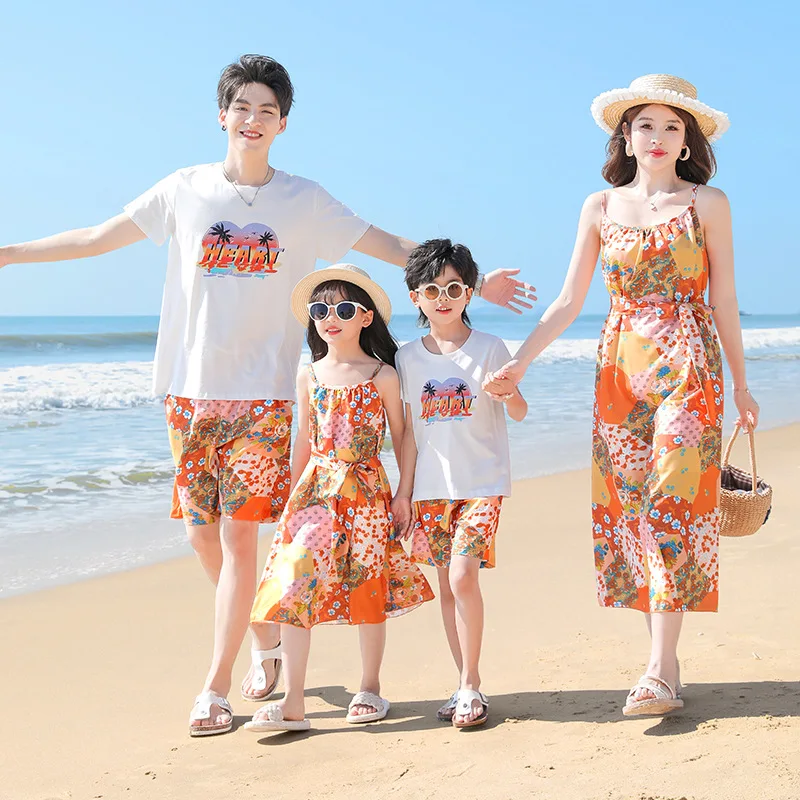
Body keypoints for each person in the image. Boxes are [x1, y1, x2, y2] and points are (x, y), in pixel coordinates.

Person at [0, 55, 535, 736]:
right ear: (221, 115)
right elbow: (98, 236)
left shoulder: (303, 199)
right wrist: (11, 252)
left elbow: (383, 242)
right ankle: (265, 640)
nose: (253, 120)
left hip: (270, 397)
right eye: (242, 108)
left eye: (267, 111)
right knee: (204, 541)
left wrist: (468, 278)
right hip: (191, 396)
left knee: (245, 541)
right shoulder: (183, 190)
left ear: (283, 123)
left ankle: (215, 691)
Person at [484, 74, 759, 716]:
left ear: (687, 142)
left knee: (672, 500)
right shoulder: (598, 208)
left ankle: (658, 670)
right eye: (646, 126)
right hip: (617, 369)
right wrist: (520, 362)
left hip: (689, 363)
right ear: (627, 138)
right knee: (631, 507)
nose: (658, 137)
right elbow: (567, 301)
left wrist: (743, 386)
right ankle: (665, 662)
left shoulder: (708, 203)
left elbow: (724, 300)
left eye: (672, 127)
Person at [245, 265, 433, 732]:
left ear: (365, 318)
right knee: (292, 586)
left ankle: (370, 687)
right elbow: (302, 441)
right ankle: (293, 704)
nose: (331, 317)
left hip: (367, 491)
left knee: (368, 588)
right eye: (320, 309)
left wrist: (405, 495)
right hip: (314, 492)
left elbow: (404, 437)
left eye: (344, 308)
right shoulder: (310, 374)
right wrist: (290, 498)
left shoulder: (383, 374)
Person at [392, 239, 527, 729]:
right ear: (416, 298)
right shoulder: (406, 359)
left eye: (453, 287)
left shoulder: (490, 347)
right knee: (447, 589)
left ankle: (471, 684)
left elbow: (519, 410)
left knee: (462, 576)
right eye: (432, 288)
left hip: (483, 483)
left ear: (469, 292)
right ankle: (464, 682)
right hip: (429, 488)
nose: (443, 297)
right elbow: (405, 435)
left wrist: (508, 391)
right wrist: (402, 493)